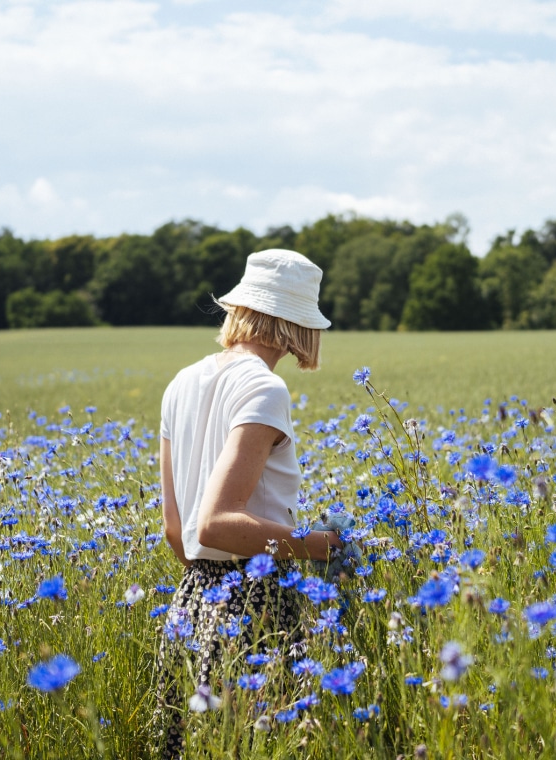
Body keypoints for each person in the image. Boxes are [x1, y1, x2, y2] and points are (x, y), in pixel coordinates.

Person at [153, 249, 342, 757]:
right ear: (297, 323)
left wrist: (210, 582)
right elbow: (216, 523)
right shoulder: (263, 386)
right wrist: (321, 545)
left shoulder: (181, 381)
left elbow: (178, 531)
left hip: (191, 606)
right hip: (252, 605)